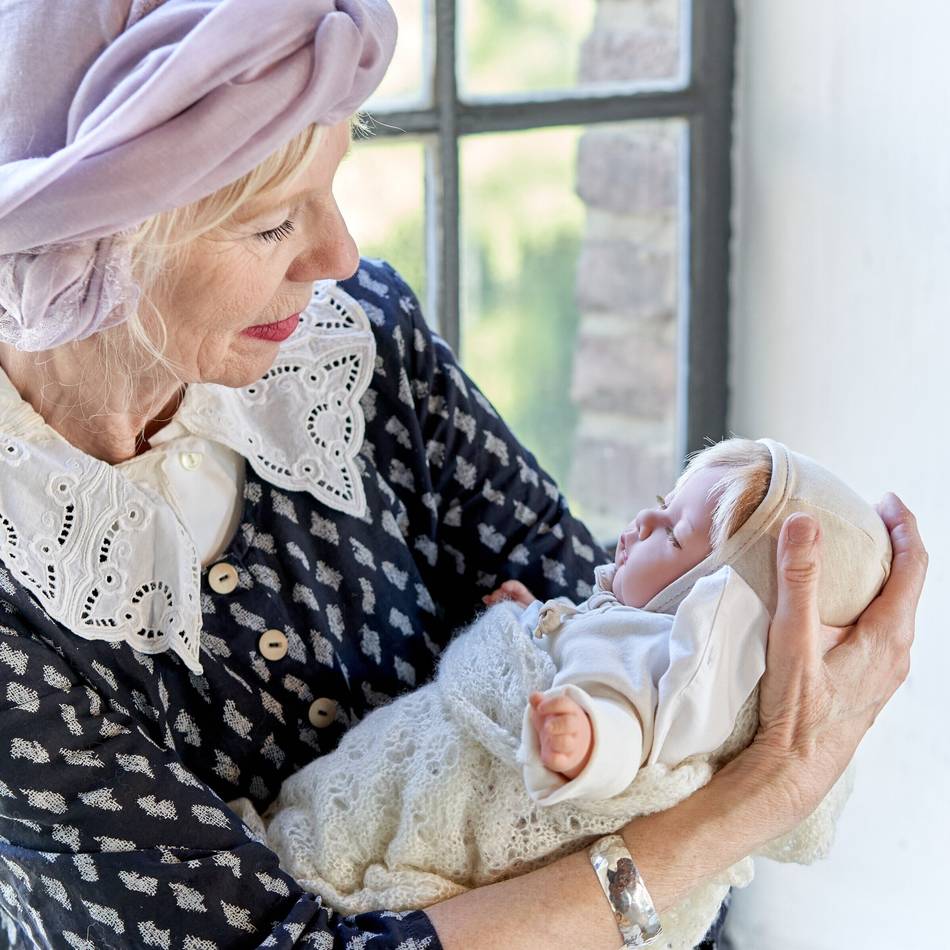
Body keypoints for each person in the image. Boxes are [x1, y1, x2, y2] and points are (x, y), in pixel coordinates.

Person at [0, 2, 927, 948]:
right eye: (274, 226)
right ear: (98, 243)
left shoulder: (356, 345)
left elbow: (621, 626)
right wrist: (759, 799)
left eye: (334, 184)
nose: (340, 255)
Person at [239, 437, 890, 949]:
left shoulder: (654, 664)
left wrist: (583, 739)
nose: (644, 520)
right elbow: (573, 643)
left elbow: (625, 722)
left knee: (348, 828)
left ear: (715, 613)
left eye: (673, 534)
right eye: (663, 501)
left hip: (453, 827)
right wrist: (532, 628)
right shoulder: (620, 623)